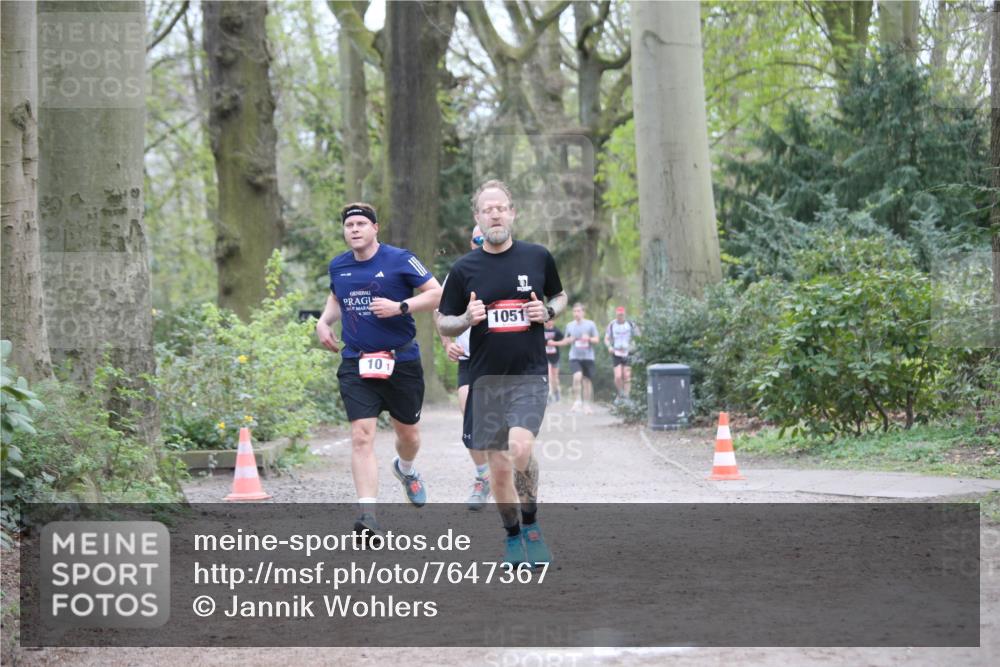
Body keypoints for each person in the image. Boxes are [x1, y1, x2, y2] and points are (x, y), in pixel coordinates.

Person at [437, 179, 568, 566]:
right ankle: (512, 536)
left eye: (501, 207)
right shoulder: (464, 270)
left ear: (512, 213)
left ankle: (531, 525)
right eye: (486, 209)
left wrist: (548, 312)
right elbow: (443, 321)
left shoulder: (538, 257)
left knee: (521, 448)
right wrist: (465, 318)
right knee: (497, 468)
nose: (495, 213)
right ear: (477, 218)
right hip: (484, 380)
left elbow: (559, 295)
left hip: (528, 374)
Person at [316, 202, 442, 535]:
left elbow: (436, 293)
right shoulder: (338, 266)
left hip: (401, 362)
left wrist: (401, 306)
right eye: (348, 225)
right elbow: (336, 297)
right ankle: (368, 515)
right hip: (356, 361)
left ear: (375, 228)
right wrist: (324, 322)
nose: (354, 229)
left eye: (360, 224)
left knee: (409, 436)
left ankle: (406, 469)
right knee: (361, 436)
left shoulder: (400, 259)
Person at [437, 225, 492, 511]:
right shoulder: (459, 272)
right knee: (469, 415)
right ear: (471, 242)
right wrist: (447, 344)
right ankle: (483, 477)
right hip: (470, 358)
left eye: (487, 236)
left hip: (504, 360)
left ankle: (509, 474)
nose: (482, 242)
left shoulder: (513, 266)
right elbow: (441, 313)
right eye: (477, 238)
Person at [565, 303, 599, 414]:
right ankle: (577, 402)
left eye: (579, 311)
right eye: (574, 311)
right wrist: (569, 340)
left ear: (583, 312)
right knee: (577, 376)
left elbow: (597, 340)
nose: (576, 313)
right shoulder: (569, 325)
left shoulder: (590, 324)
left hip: (588, 357)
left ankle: (587, 405)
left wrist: (588, 338)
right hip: (574, 356)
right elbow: (566, 340)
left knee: (586, 381)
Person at [605, 306, 640, 399]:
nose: (620, 317)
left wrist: (634, 346)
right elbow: (606, 338)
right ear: (616, 315)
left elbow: (639, 337)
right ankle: (620, 393)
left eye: (621, 315)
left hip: (628, 352)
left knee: (627, 375)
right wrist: (609, 346)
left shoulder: (631, 324)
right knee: (618, 376)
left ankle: (627, 396)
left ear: (624, 315)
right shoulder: (612, 325)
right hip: (616, 352)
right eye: (618, 315)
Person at [543, 318, 571, 403]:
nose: (548, 322)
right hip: (545, 357)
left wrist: (554, 343)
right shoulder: (541, 331)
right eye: (546, 321)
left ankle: (557, 392)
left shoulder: (557, 331)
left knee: (554, 377)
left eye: (550, 320)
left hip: (555, 357)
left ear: (553, 321)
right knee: (549, 375)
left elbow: (565, 342)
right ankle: (549, 395)